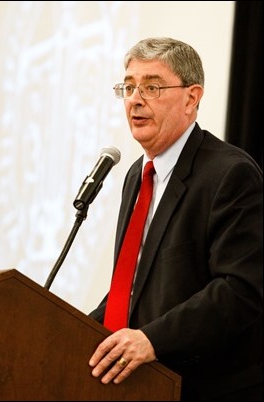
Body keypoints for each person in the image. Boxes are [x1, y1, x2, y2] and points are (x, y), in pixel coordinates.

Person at [88, 37, 263, 401]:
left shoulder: (230, 173)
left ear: (191, 97)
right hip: (146, 387)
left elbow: (241, 289)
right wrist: (70, 331)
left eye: (151, 87)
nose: (135, 99)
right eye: (129, 86)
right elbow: (134, 286)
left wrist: (153, 339)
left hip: (208, 386)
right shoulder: (137, 175)